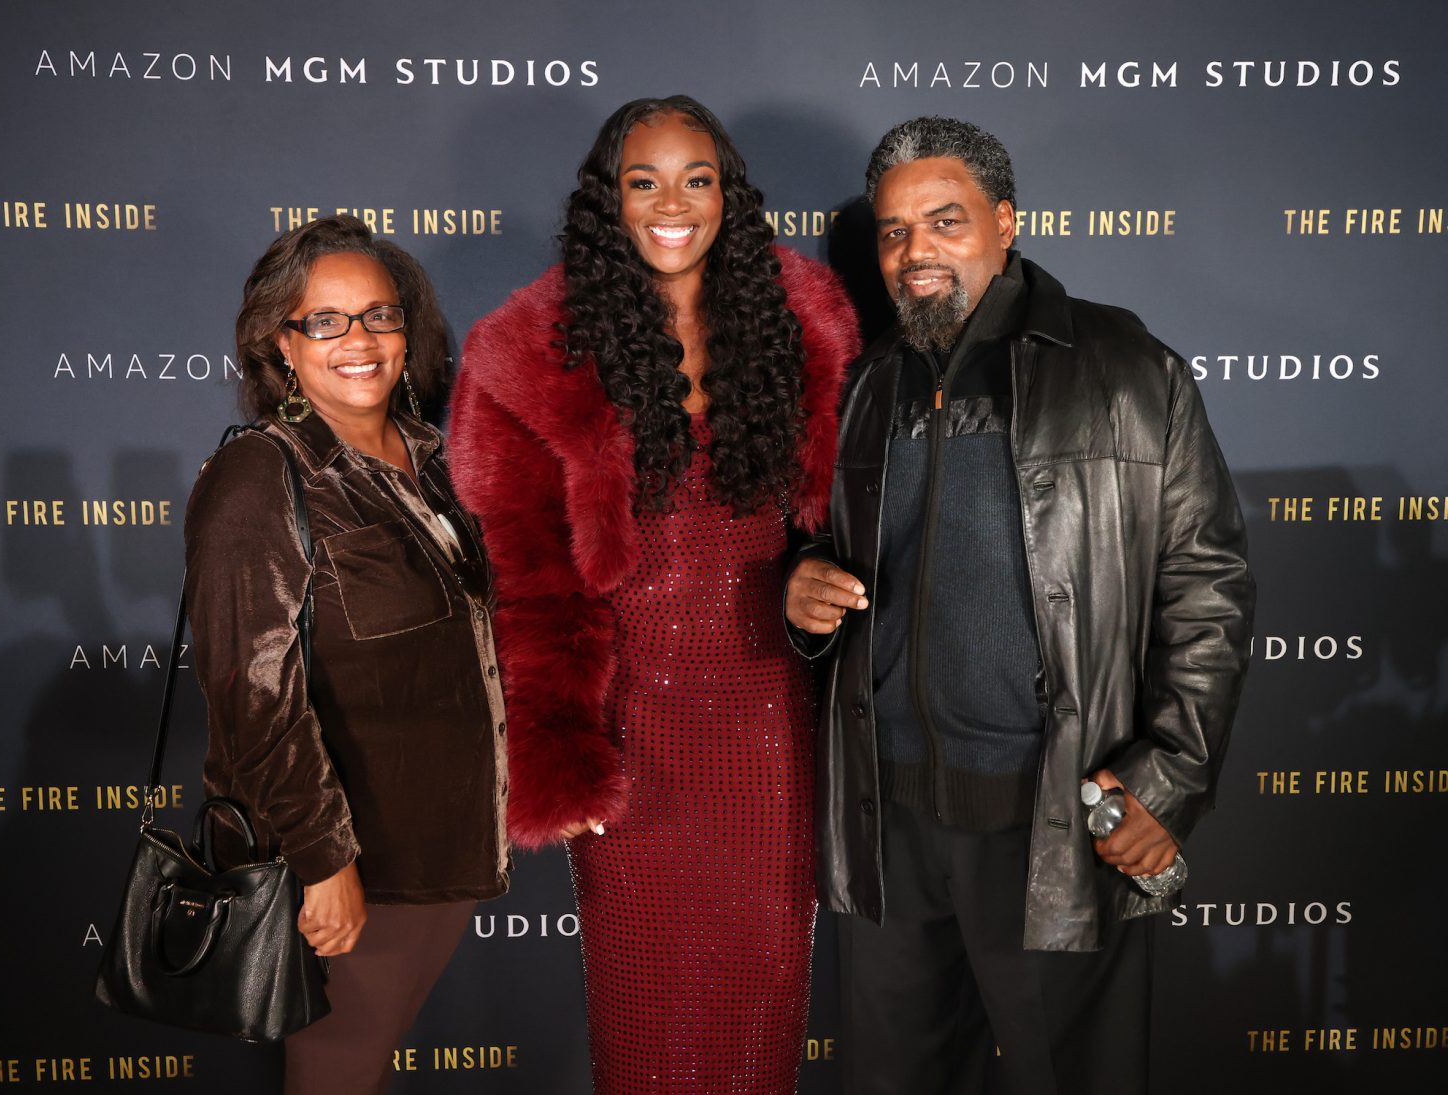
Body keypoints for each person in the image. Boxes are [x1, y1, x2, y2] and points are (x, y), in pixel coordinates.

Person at [785, 117, 1255, 1094]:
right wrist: (802, 598)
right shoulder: (865, 383)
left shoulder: (1128, 370)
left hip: (1055, 825)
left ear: (1006, 221)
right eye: (893, 231)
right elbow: (832, 572)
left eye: (945, 221)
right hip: (888, 830)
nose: (915, 252)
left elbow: (1207, 590)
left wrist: (1165, 781)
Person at [449, 96, 859, 1093]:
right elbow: (528, 579)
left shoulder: (810, 324)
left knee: (760, 1015)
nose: (672, 204)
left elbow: (838, 521)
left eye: (697, 178)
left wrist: (813, 577)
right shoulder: (530, 352)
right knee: (645, 1021)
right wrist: (558, 750)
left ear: (729, 192)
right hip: (630, 737)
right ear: (609, 200)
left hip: (771, 727)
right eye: (644, 181)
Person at [184, 215, 509, 1095]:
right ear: (279, 344)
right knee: (336, 1073)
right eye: (324, 320)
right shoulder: (263, 474)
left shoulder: (433, 454)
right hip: (354, 855)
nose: (358, 340)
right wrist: (325, 861)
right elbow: (252, 697)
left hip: (440, 844)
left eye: (379, 314)